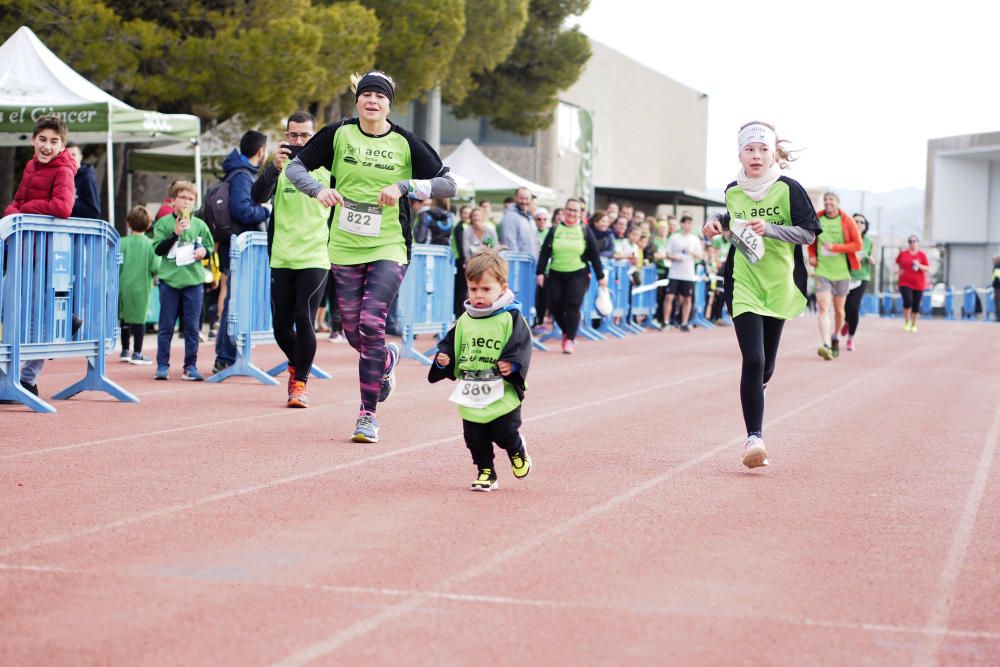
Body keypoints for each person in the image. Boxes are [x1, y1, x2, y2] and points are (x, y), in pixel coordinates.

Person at [286, 70, 457, 442]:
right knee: (353, 332)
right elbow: (294, 166)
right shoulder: (338, 134)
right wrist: (317, 190)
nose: (373, 101)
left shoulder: (406, 142)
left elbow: (448, 182)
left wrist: (405, 185)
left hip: (389, 244)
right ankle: (387, 360)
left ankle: (367, 415)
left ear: (389, 104)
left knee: (370, 322)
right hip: (344, 245)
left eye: (380, 96)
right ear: (358, 100)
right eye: (367, 95)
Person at [702, 121, 820, 469]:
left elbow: (809, 234)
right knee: (752, 359)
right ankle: (755, 438)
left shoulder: (788, 189)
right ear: (740, 153)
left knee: (766, 365)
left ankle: (759, 390)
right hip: (744, 281)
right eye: (749, 149)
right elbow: (731, 215)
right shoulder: (733, 190)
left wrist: (769, 229)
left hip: (780, 283)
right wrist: (714, 221)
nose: (756, 155)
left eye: (763, 149)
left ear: (772, 154)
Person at [428, 251, 532, 492]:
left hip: (502, 390)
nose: (478, 296)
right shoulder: (465, 319)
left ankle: (516, 449)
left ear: (502, 287)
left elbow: (521, 345)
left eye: (486, 289)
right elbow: (450, 344)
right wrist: (444, 360)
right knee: (475, 436)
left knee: (504, 430)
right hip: (471, 388)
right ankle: (486, 472)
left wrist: (512, 364)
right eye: (473, 289)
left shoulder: (510, 317)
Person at [250, 111, 331, 408]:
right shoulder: (280, 167)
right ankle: (298, 365)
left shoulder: (327, 167)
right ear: (286, 137)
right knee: (280, 327)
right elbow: (256, 197)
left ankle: (300, 383)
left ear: (315, 136)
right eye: (294, 135)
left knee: (304, 318)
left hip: (315, 255)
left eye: (305, 135)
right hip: (282, 256)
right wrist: (272, 168)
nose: (299, 141)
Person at [3, 115, 77, 397]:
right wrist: (14, 212)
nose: (47, 146)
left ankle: (27, 379)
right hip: (23, 251)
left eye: (53, 141)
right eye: (42, 140)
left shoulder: (64, 171)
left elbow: (62, 207)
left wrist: (25, 209)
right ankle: (9, 374)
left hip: (47, 255)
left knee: (36, 319)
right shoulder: (30, 166)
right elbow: (15, 203)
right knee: (7, 308)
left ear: (62, 144)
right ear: (33, 141)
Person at [213, 130, 272, 374]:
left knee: (236, 299)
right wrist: (266, 210)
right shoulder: (243, 176)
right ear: (261, 152)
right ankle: (226, 356)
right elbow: (242, 210)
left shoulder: (236, 172)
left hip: (235, 244)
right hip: (239, 245)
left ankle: (229, 354)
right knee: (235, 301)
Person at [152, 181, 214, 380]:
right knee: (166, 325)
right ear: (173, 200)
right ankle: (162, 365)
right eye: (183, 198)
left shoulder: (199, 225)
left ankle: (190, 366)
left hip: (193, 282)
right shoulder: (163, 223)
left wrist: (204, 251)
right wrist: (175, 233)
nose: (187, 202)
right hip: (169, 282)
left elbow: (209, 247)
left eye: (191, 199)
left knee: (192, 326)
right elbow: (158, 249)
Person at [536, 198, 607, 354]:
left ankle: (569, 339)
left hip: (578, 273)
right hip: (556, 272)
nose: (572, 213)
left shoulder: (585, 231)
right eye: (569, 209)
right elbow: (545, 253)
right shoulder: (555, 230)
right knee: (555, 305)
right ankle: (567, 331)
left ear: (580, 213)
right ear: (564, 211)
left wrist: (600, 276)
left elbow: (594, 255)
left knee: (573, 305)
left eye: (575, 210)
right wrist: (540, 272)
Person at [808, 192, 862, 359]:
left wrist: (835, 248)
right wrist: (812, 255)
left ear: (838, 203)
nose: (827, 202)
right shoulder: (817, 219)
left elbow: (857, 245)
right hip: (822, 271)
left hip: (841, 272)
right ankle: (825, 344)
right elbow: (811, 238)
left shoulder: (847, 221)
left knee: (839, 310)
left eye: (831, 200)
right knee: (823, 307)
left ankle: (835, 336)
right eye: (825, 200)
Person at [118, 206, 158, 365]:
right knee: (139, 320)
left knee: (124, 319)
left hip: (123, 286)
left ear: (128, 223)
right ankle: (138, 352)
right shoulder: (151, 244)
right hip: (142, 286)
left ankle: (125, 350)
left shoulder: (121, 242)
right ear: (149, 225)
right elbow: (156, 268)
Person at [663, 215, 704, 332]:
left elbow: (700, 256)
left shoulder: (694, 239)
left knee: (687, 298)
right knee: (669, 297)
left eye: (690, 223)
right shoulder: (674, 238)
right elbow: (667, 254)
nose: (687, 226)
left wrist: (692, 252)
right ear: (681, 224)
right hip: (675, 273)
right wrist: (674, 257)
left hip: (688, 274)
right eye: (685, 223)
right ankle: (666, 322)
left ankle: (684, 323)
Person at [842, 213, 876, 350]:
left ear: (865, 225)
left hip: (862, 276)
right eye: (855, 221)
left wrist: (869, 259)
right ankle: (846, 321)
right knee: (845, 307)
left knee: (854, 307)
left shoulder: (868, 240)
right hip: (846, 275)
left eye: (862, 222)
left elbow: (870, 256)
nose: (858, 224)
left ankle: (851, 338)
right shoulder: (846, 237)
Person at [895, 235, 930, 332]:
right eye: (910, 241)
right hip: (905, 282)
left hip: (918, 283)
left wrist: (919, 265)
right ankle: (907, 321)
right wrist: (897, 271)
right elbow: (896, 263)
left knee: (916, 305)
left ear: (918, 242)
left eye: (914, 241)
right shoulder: (903, 254)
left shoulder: (922, 255)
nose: (912, 243)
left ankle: (914, 324)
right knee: (908, 300)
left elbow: (927, 268)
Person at [65, 143, 101, 219]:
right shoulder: (61, 177)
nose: (70, 158)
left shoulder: (87, 177)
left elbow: (94, 211)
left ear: (80, 157)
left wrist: (69, 201)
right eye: (67, 155)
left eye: (73, 155)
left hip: (81, 228)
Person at [498, 187, 536, 256]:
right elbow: (509, 244)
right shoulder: (510, 217)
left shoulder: (529, 218)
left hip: (529, 263)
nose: (524, 201)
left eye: (527, 199)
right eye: (521, 198)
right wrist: (517, 264)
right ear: (515, 198)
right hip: (518, 263)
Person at [993, 254, 1000, 322]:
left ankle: (998, 317)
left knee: (997, 302)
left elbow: (998, 277)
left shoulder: (997, 266)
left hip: (998, 287)